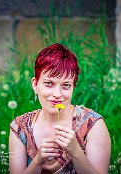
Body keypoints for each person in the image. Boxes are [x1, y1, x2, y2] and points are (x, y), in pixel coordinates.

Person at [9, 43, 111, 174]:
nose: (57, 94)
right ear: (35, 85)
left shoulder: (92, 125)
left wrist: (76, 152)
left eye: (66, 85)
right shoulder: (20, 128)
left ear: (73, 88)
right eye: (49, 83)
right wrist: (38, 160)